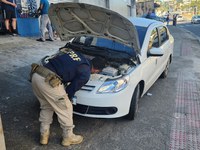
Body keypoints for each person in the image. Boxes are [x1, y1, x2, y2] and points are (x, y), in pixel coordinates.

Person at [30, 48, 106, 146]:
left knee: (47, 106)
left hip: (36, 75)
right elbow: (71, 89)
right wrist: (67, 100)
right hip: (49, 81)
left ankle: (44, 135)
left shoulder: (78, 54)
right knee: (66, 108)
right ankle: (68, 137)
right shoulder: (86, 72)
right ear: (97, 70)